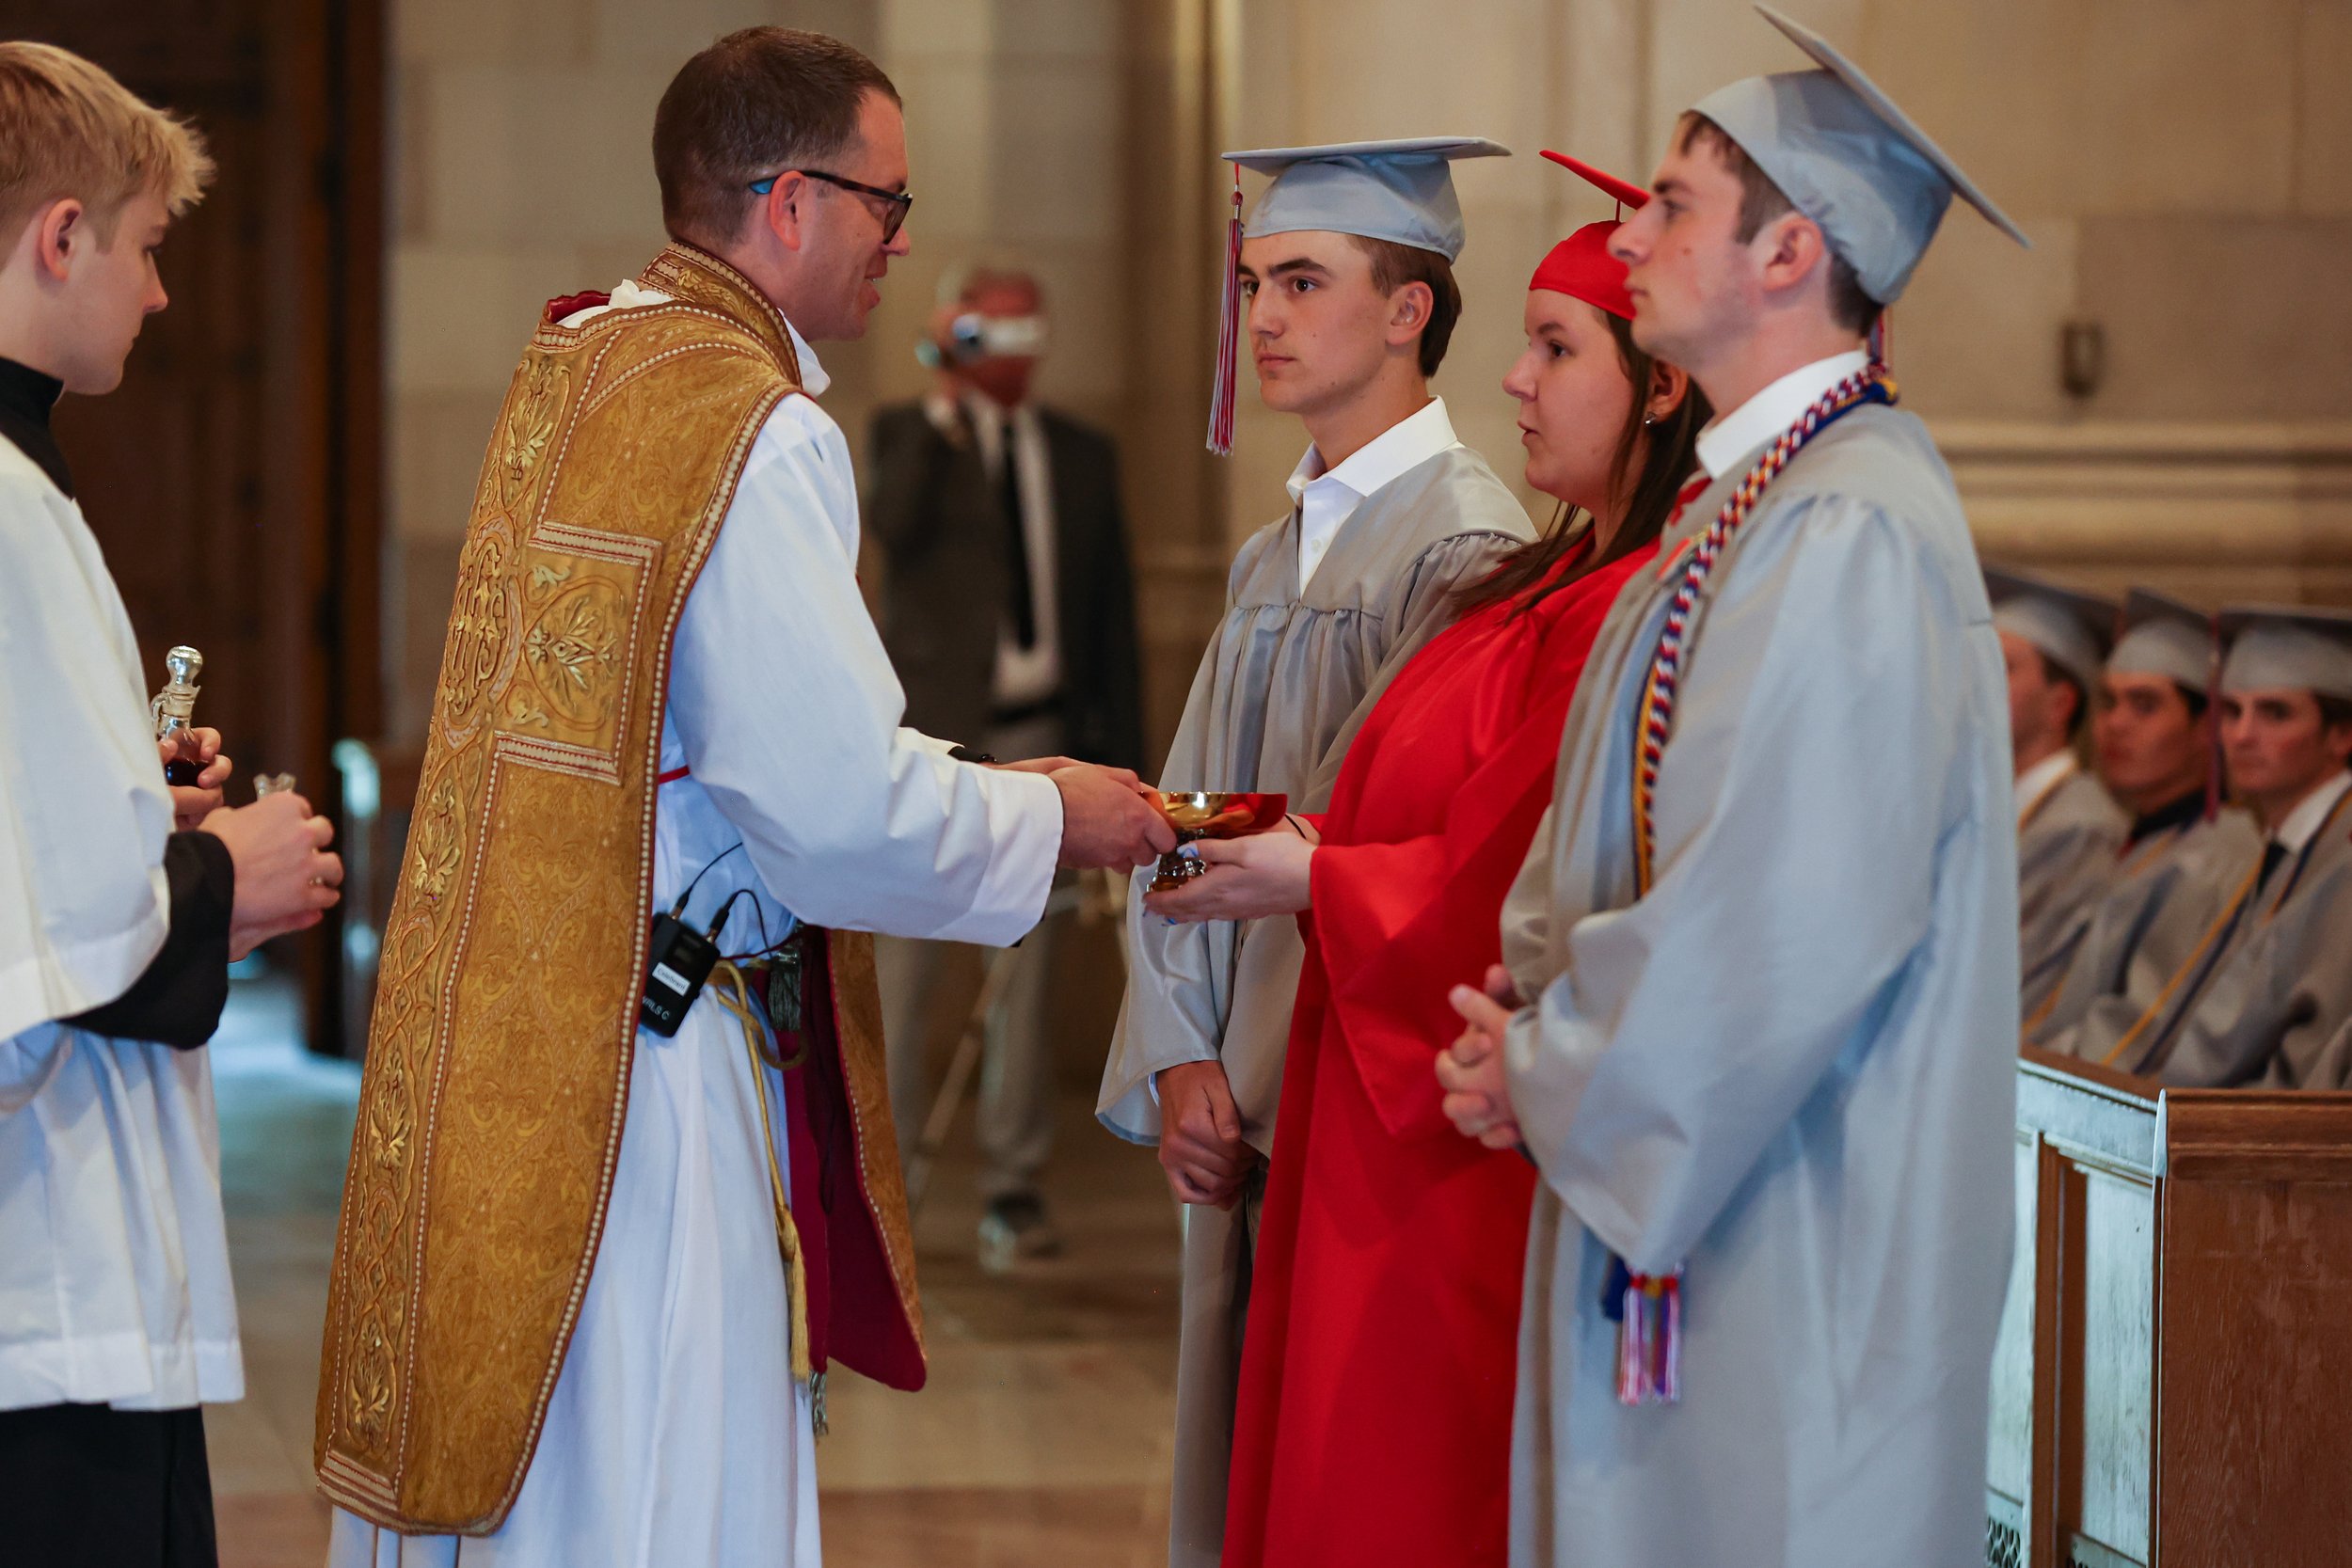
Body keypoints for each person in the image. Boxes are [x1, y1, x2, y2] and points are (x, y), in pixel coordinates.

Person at [316, 30, 1170, 1566]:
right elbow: (836, 814)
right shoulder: (756, 426)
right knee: (652, 1494)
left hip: (513, 1044)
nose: (900, 245)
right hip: (644, 1095)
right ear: (788, 203)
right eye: (886, 206)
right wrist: (1057, 817)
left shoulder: (581, 362)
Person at [1436, 9, 2027, 1562]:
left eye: (1673, 203)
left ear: (1789, 252)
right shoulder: (1752, 505)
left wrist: (1552, 1064)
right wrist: (1549, 1014)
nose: (1629, 232)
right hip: (1718, 1208)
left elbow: (1781, 923)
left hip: (1797, 1250)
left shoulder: (1849, 528)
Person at [1144, 151, 1708, 1568]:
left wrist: (1307, 880)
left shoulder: (1498, 554)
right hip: (1328, 1083)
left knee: (1389, 1491)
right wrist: (1179, 1040)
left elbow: (1480, 874)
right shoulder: (1540, 577)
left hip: (1410, 1106)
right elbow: (1222, 816)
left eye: (1558, 345)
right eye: (1255, 284)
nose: (1520, 378)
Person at [1095, 135, 1536, 1568]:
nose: (1263, 318)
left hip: (1338, 1100)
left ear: (1411, 309)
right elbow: (1186, 818)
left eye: (1302, 280)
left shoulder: (1462, 542)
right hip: (1242, 1087)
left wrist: (1252, 1074)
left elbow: (1397, 848)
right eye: (1251, 284)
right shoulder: (1272, 551)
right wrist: (1181, 1055)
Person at [0, 41, 343, 1568]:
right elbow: (58, 938)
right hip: (38, 1285)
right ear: (58, 236)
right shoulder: (7, 502)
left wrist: (145, 819)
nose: (156, 295)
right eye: (144, 249)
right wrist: (231, 872)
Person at [866, 264, 1144, 1264]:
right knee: (904, 967)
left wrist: (1124, 757)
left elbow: (1110, 610)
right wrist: (946, 391)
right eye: (987, 333)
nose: (1006, 353)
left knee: (1025, 969)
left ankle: (1013, 1182)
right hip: (938, 743)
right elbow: (889, 527)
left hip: (1049, 735)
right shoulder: (911, 435)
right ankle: (879, 1181)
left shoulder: (1081, 454)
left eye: (1021, 333)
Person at [2048, 607, 2352, 1085]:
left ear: (2341, 735)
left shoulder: (2336, 860)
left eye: (2275, 713)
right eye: (2232, 711)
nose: (2242, 735)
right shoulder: (2284, 851)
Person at [2026, 589, 2258, 1041]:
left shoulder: (2217, 857)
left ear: (2206, 728)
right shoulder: (2143, 841)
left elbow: (2138, 1032)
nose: (2115, 724)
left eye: (2145, 705)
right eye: (2109, 702)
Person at [1986, 568, 2125, 1014]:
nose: (1977, 683)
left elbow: (2028, 987)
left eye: (2003, 668)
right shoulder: (2005, 810)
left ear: (2060, 703)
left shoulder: (2080, 827)